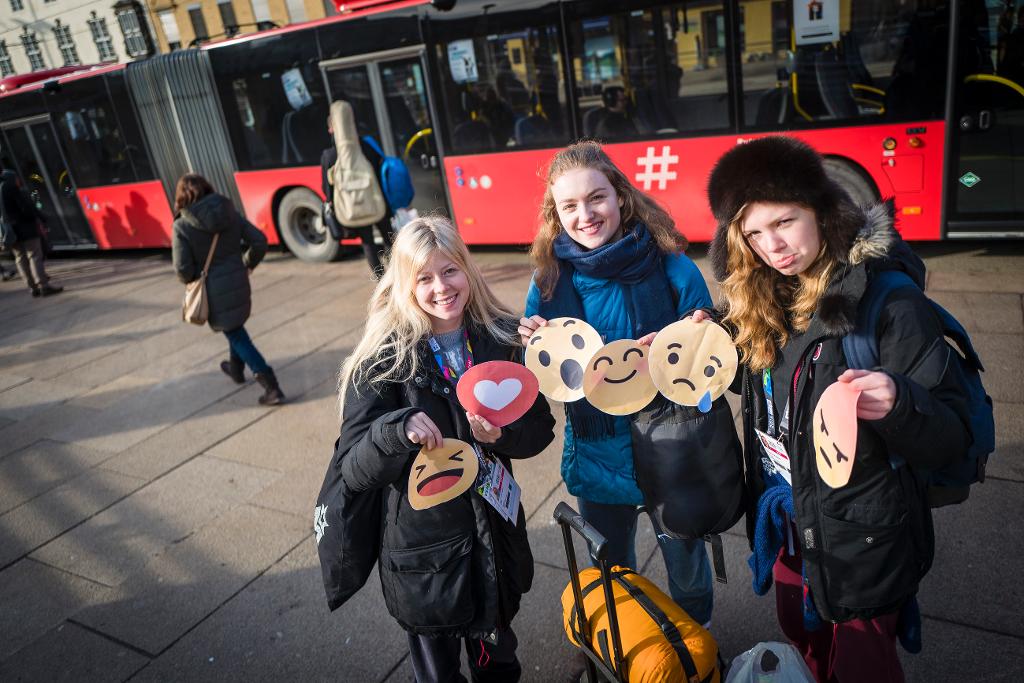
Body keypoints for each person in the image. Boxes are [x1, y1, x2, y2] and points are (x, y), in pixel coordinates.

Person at [700, 136, 972, 681]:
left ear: (821, 210)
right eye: (753, 233)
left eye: (784, 221)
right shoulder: (761, 298)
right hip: (784, 520)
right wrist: (709, 338)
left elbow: (952, 433)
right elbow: (767, 393)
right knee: (803, 640)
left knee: (862, 665)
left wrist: (899, 404)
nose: (771, 246)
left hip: (860, 534)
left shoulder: (888, 303)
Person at [335, 216, 554, 683]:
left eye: (450, 270)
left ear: (467, 270)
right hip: (425, 553)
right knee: (437, 674)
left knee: (499, 665)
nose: (441, 287)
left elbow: (540, 429)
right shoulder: (383, 361)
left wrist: (502, 437)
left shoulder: (500, 338)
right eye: (425, 277)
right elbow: (353, 467)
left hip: (493, 536)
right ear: (404, 284)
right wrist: (396, 430)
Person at [519, 141, 717, 631]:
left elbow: (708, 361)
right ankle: (633, 649)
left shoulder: (673, 267)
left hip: (669, 446)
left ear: (621, 197)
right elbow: (542, 372)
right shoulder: (547, 281)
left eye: (596, 198)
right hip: (598, 448)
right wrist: (527, 342)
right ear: (556, 213)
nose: (585, 214)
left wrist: (689, 338)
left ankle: (700, 643)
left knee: (687, 570)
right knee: (611, 574)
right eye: (569, 205)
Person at [171, 173, 284, 406]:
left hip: (213, 291)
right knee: (233, 327)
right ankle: (235, 369)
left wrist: (194, 278)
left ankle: (271, 386)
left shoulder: (182, 225)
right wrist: (246, 264)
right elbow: (259, 241)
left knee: (236, 335)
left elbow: (182, 269)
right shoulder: (228, 211)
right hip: (239, 281)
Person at [320, 113, 395, 279]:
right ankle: (400, 273)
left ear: (331, 130)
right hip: (378, 202)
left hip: (354, 207)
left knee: (368, 243)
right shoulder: (367, 146)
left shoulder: (329, 155)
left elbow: (326, 188)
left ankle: (382, 281)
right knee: (389, 239)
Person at [0, 169, 63, 297]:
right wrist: (40, 218)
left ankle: (32, 287)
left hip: (8, 231)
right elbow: (26, 208)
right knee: (34, 255)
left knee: (20, 258)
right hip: (24, 227)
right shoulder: (9, 186)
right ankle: (43, 286)